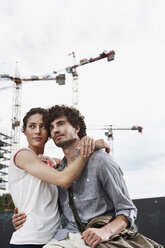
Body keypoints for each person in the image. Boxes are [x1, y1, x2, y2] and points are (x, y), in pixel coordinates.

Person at [12, 105, 137, 248]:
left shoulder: (101, 162)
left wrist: (105, 231)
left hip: (100, 238)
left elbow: (128, 209)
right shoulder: (58, 169)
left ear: (76, 128)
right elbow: (50, 199)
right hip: (66, 237)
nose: (56, 130)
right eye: (51, 127)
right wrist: (23, 216)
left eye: (60, 124)